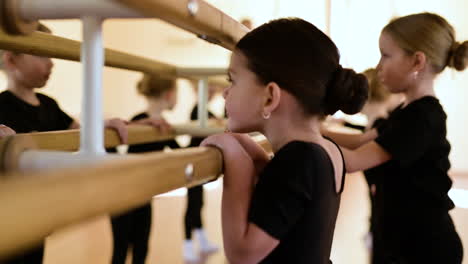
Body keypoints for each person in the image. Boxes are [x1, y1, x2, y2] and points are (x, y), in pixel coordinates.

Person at [201, 18, 368, 263]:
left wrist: (237, 160)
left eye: (233, 80)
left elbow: (243, 254)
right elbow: (283, 190)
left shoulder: (299, 159)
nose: (227, 92)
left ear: (270, 97)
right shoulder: (326, 150)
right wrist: (243, 146)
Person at [324, 13, 466, 263]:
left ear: (417, 62)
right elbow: (360, 142)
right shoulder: (405, 112)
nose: (379, 66)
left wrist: (298, 134)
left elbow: (355, 160)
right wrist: (316, 130)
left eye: (386, 55)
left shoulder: (424, 117)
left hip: (424, 249)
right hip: (396, 239)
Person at [0, 23, 129, 264]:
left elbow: (80, 131)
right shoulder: (2, 106)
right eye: (41, 54)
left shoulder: (49, 105)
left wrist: (104, 124)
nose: (51, 63)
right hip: (9, 212)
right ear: (11, 60)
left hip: (39, 210)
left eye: (51, 55)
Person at [110, 74, 178, 264]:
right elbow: (118, 138)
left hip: (143, 194)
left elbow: (183, 152)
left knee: (141, 247)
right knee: (121, 250)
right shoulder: (141, 119)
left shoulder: (163, 125)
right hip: (122, 196)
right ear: (170, 95)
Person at [183, 81, 221, 262]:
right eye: (210, 90)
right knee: (193, 204)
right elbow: (208, 126)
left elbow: (219, 122)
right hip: (193, 163)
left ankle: (202, 240)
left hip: (199, 163)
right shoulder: (197, 109)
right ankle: (187, 245)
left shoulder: (205, 110)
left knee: (198, 203)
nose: (213, 93)